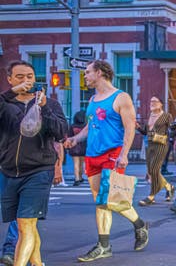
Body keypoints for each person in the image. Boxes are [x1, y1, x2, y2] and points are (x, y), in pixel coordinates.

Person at [64, 60, 149, 262]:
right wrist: (76, 139)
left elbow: (130, 127)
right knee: (102, 201)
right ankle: (139, 224)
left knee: (106, 199)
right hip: (92, 154)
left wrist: (124, 154)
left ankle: (103, 245)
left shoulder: (121, 97)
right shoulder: (93, 99)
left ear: (100, 73)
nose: (85, 76)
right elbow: (90, 126)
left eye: (87, 72)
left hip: (113, 153)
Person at [0, 61, 68, 266]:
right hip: (9, 170)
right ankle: (38, 264)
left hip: (39, 170)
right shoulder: (5, 104)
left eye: (29, 76)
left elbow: (61, 132)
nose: (26, 81)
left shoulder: (50, 103)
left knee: (25, 223)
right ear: (10, 79)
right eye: (20, 77)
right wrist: (9, 94)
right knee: (25, 226)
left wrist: (44, 107)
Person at [136, 97, 175, 206]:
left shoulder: (167, 116)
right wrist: (138, 127)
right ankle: (169, 187)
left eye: (155, 101)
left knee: (154, 170)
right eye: (151, 101)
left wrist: (173, 130)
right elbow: (145, 132)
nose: (152, 103)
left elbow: (172, 130)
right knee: (151, 171)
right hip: (150, 145)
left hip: (161, 145)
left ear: (161, 104)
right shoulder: (149, 116)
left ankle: (151, 196)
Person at [69, 110, 88, 186]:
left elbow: (70, 136)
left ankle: (77, 179)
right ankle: (80, 177)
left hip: (74, 147)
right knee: (82, 163)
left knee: (76, 164)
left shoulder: (72, 126)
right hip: (84, 147)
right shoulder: (85, 126)